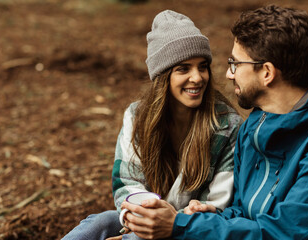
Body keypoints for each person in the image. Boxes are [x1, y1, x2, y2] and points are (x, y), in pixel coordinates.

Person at [120, 5, 308, 240]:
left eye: (236, 64)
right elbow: (243, 213)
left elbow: (286, 233)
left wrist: (183, 226)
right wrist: (212, 214)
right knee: (100, 224)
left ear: (267, 73)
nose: (230, 74)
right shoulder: (255, 126)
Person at [61, 10, 242, 240]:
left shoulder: (226, 126)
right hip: (146, 216)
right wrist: (138, 218)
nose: (197, 77)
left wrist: (166, 223)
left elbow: (216, 203)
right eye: (183, 68)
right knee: (99, 223)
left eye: (202, 66)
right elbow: (127, 182)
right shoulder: (138, 116)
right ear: (163, 76)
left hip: (193, 228)